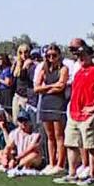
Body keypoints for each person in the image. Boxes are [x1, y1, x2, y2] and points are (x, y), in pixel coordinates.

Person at [61, 42, 94, 186]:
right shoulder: (78, 73)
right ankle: (72, 173)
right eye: (78, 56)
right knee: (71, 144)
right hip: (74, 114)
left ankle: (93, 176)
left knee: (91, 146)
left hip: (89, 116)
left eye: (83, 55)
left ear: (90, 55)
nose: (81, 58)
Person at [33, 44, 69, 174]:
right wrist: (51, 87)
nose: (51, 58)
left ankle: (60, 164)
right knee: (50, 136)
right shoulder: (44, 70)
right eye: (48, 55)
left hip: (57, 103)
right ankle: (52, 162)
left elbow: (61, 86)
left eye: (54, 55)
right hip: (45, 103)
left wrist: (46, 88)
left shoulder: (63, 69)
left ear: (59, 55)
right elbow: (36, 88)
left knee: (59, 135)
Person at [2, 109, 46, 177]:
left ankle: (18, 167)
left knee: (34, 154)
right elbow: (8, 146)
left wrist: (17, 159)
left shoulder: (36, 134)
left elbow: (30, 149)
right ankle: (14, 167)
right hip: (19, 158)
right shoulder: (14, 133)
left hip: (34, 160)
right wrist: (6, 158)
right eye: (20, 121)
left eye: (25, 120)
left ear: (30, 122)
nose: (23, 123)